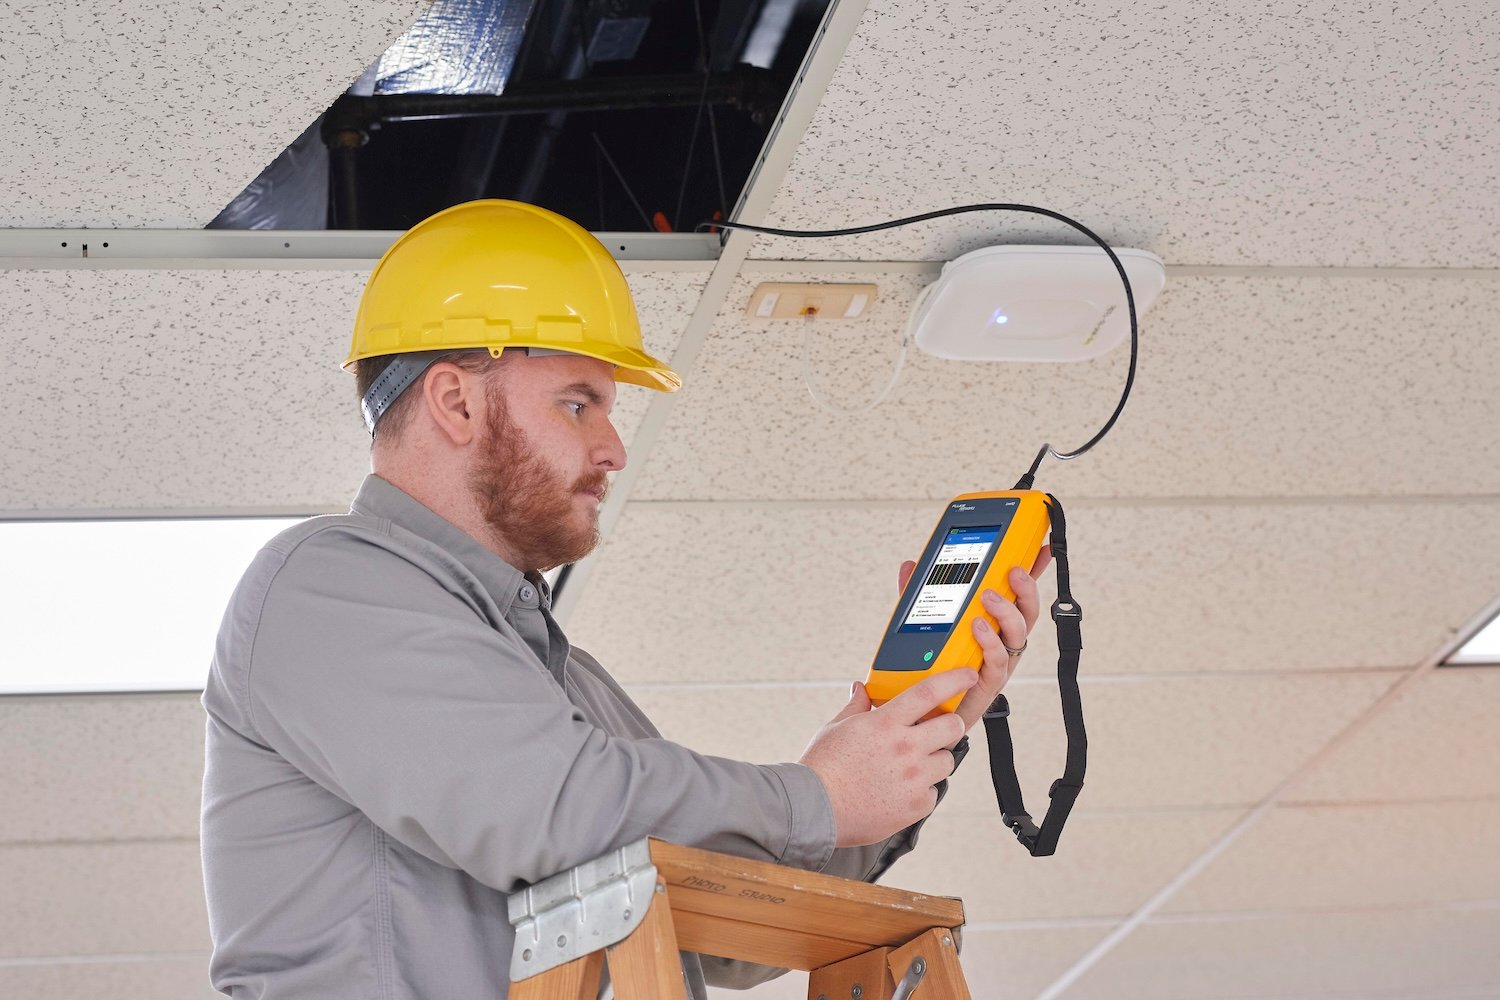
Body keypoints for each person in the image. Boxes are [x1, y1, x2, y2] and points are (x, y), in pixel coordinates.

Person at [200, 200, 1050, 999]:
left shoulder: (570, 691)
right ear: (455, 400)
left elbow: (732, 929)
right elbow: (550, 808)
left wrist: (914, 732)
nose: (612, 449)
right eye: (579, 404)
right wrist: (817, 795)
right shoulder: (327, 584)